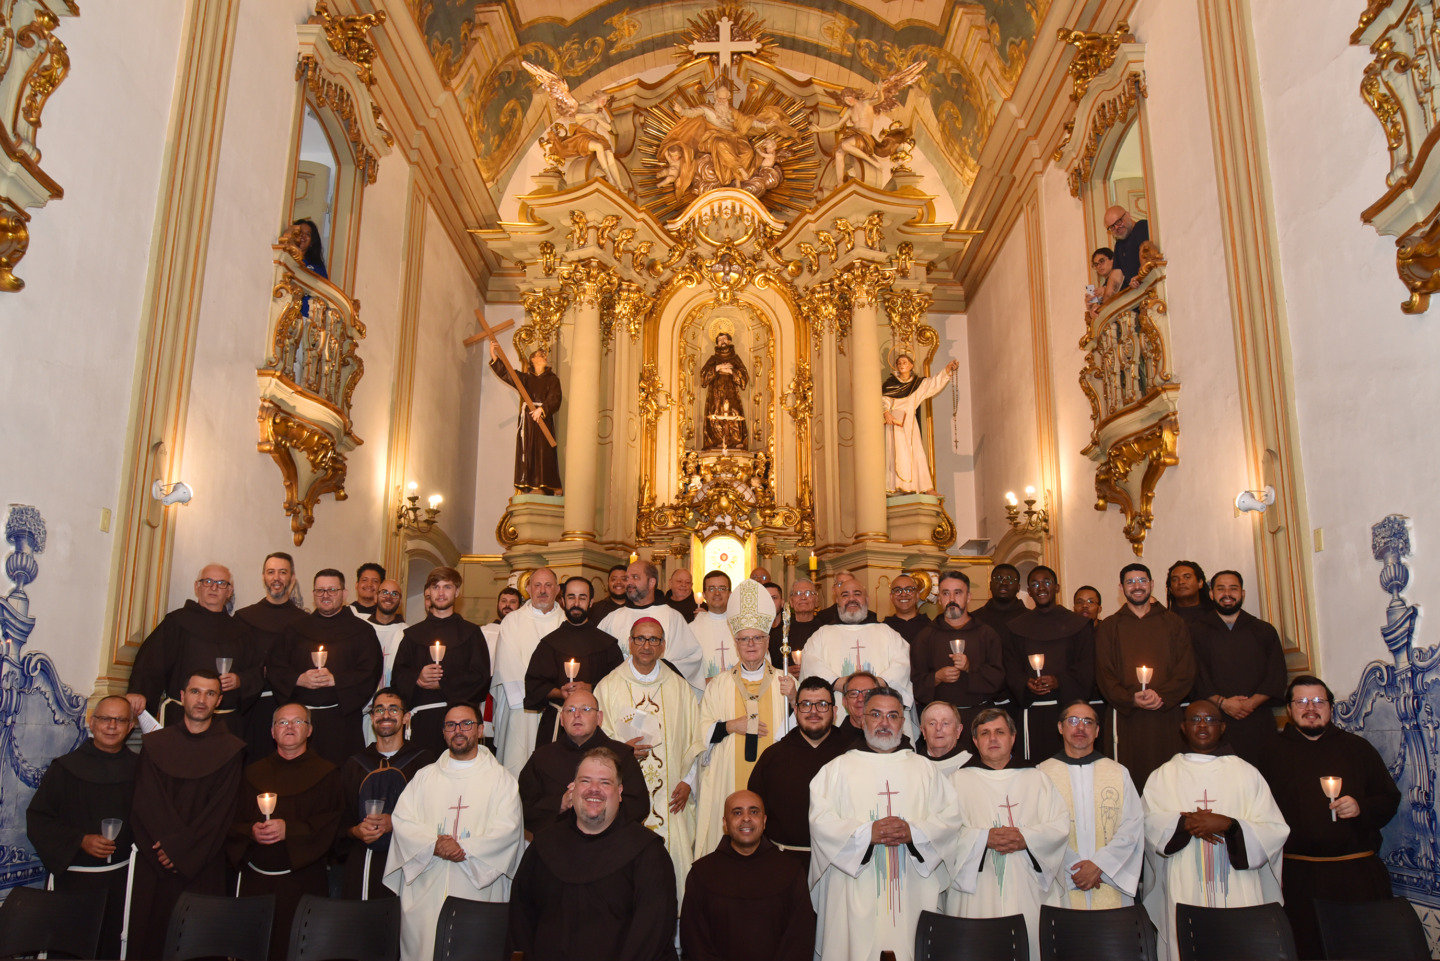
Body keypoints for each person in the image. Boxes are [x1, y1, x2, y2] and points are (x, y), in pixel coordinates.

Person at [809, 687, 961, 961]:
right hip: (853, 890)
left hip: (913, 888)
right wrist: (868, 833)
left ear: (903, 722)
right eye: (876, 715)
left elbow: (950, 821)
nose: (884, 723)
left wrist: (913, 832)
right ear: (862, 719)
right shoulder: (835, 770)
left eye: (892, 715)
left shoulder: (926, 770)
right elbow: (821, 824)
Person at [1257, 676, 1400, 960]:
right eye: (1302, 701)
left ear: (1331, 708)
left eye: (1319, 701)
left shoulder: (1358, 749)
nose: (1311, 708)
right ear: (1289, 708)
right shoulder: (1269, 753)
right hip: (1299, 880)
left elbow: (1388, 799)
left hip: (1356, 877)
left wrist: (1361, 808)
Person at [1142, 700, 1289, 961]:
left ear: (1222, 727)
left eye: (1210, 720)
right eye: (1195, 720)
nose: (1202, 725)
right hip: (1184, 883)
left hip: (1239, 884)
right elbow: (1146, 824)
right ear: (1183, 727)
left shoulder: (1247, 774)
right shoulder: (1162, 776)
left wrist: (1230, 825)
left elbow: (1274, 829)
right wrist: (1184, 824)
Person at [507, 748, 678, 961]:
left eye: (605, 783)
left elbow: (653, 932)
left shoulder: (647, 851)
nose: (594, 790)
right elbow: (520, 920)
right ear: (572, 788)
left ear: (620, 792)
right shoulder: (543, 846)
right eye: (585, 781)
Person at [385, 703, 523, 961]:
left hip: (478, 888)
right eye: (451, 725)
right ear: (444, 733)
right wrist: (433, 845)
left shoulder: (501, 780)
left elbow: (508, 830)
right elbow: (403, 820)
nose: (458, 730)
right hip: (426, 889)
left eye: (466, 724)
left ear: (480, 729)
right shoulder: (424, 777)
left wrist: (464, 849)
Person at [127, 671, 246, 960]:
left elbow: (221, 811)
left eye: (209, 694)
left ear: (218, 700)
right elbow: (145, 800)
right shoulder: (155, 743)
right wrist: (170, 847)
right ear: (181, 697)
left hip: (203, 865)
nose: (201, 699)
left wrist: (179, 850)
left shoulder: (232, 749)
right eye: (195, 691)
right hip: (157, 864)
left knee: (198, 947)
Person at [947, 708, 1070, 960]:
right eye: (985, 733)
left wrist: (1026, 838)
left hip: (1028, 887)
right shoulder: (957, 781)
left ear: (1013, 737)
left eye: (1000, 732)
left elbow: (1059, 827)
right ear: (975, 741)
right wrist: (983, 839)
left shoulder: (1037, 779)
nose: (992, 739)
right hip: (977, 890)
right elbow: (944, 833)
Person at [228, 703, 344, 960]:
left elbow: (332, 824)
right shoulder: (252, 773)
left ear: (309, 730)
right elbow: (232, 822)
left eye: (297, 722)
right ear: (271, 731)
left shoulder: (327, 773)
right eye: (282, 722)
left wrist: (289, 830)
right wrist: (252, 831)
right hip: (256, 883)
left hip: (303, 883)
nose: (289, 727)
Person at [26, 695, 138, 959]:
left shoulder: (141, 768)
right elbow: (39, 819)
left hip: (122, 881)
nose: (112, 726)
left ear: (130, 726)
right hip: (75, 882)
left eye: (120, 720)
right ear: (91, 722)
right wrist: (80, 840)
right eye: (105, 719)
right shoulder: (65, 768)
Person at [595, 616, 700, 894]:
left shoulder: (679, 688)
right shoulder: (608, 686)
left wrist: (689, 782)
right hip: (626, 795)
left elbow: (695, 739)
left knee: (674, 873)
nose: (646, 645)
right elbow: (597, 741)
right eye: (640, 638)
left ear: (663, 646)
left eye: (654, 639)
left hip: (671, 798)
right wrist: (622, 751)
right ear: (629, 642)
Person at [692, 579, 796, 858]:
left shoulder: (784, 684)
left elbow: (800, 737)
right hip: (728, 776)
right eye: (744, 639)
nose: (751, 644)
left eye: (758, 638)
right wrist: (729, 726)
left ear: (767, 640)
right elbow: (700, 732)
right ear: (735, 642)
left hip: (773, 780)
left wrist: (795, 700)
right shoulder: (720, 684)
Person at [680, 790, 815, 961]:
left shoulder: (791, 871)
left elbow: (800, 939)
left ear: (764, 821)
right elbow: (694, 941)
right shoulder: (701, 873)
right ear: (725, 824)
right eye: (737, 812)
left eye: (754, 811)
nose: (746, 818)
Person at [1094, 563, 1195, 789]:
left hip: (1166, 715)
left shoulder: (1174, 623)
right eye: (1130, 582)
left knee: (1169, 783)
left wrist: (1162, 696)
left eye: (1141, 580)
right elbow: (1104, 673)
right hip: (1126, 717)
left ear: (1152, 584)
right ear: (1121, 588)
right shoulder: (1110, 626)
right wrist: (1131, 698)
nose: (1136, 586)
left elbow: (1185, 669)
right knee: (1129, 784)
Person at [126, 563, 258, 736]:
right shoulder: (177, 622)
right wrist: (139, 692)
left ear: (229, 591)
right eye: (207, 581)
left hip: (225, 724)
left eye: (221, 583)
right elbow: (151, 662)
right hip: (180, 718)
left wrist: (240, 680)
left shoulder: (242, 631)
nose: (213, 587)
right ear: (197, 587)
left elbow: (256, 672)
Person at [268, 569, 383, 767]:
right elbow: (274, 667)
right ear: (313, 594)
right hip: (300, 722)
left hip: (341, 722)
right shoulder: (294, 629)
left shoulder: (361, 631)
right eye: (320, 590)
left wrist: (336, 680)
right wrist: (298, 679)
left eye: (332, 590)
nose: (325, 595)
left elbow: (370, 672)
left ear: (345, 594)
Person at [1036, 701, 1143, 909]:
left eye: (1088, 722)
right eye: (1073, 721)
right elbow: (1040, 831)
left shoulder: (1118, 772)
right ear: (1060, 727)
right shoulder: (1042, 773)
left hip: (1108, 881)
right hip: (1062, 885)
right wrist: (1074, 870)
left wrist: (1100, 865)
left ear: (1097, 731)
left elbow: (1133, 826)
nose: (1080, 727)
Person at [338, 689, 434, 899]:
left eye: (393, 709)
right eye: (379, 710)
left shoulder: (424, 763)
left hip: (409, 861)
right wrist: (356, 830)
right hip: (362, 861)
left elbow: (433, 815)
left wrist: (396, 823)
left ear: (406, 717)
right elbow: (340, 819)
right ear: (372, 718)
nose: (386, 715)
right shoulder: (354, 764)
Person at [746, 676, 850, 867]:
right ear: (796, 710)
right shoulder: (773, 756)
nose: (813, 711)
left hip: (842, 862)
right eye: (806, 705)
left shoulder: (852, 753)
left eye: (822, 705)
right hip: (785, 863)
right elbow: (755, 809)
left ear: (834, 712)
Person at [518, 690, 648, 837]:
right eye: (570, 710)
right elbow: (523, 808)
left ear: (599, 718)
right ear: (562, 719)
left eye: (585, 709)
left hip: (609, 846)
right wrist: (560, 803)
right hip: (557, 846)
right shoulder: (542, 757)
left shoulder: (622, 755)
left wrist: (598, 812)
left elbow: (639, 806)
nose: (577, 715)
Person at [1189, 570, 1286, 763]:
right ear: (1211, 594)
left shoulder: (1264, 630)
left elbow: (1276, 674)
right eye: (1220, 589)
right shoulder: (1195, 631)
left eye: (1233, 589)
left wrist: (1251, 703)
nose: (1227, 594)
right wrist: (1223, 703)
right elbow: (1194, 673)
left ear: (1242, 593)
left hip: (1257, 719)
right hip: (1214, 719)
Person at [390, 567, 490, 755]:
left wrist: (443, 683)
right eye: (436, 587)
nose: (441, 593)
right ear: (428, 592)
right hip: (423, 722)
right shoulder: (412, 635)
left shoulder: (472, 634)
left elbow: (481, 678)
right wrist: (417, 679)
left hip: (460, 726)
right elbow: (397, 678)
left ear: (457, 592)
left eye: (447, 587)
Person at [1003, 566, 1094, 761]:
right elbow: (1011, 667)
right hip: (1032, 713)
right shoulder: (1016, 627)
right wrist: (1025, 683)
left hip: (1067, 711)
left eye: (1046, 582)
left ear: (1057, 587)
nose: (1041, 588)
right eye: (1034, 584)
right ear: (1029, 591)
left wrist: (1059, 681)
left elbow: (1086, 667)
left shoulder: (1077, 624)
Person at [524, 576, 624, 748]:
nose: (576, 602)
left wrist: (591, 688)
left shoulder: (608, 644)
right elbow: (533, 686)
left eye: (582, 597)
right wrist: (558, 692)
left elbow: (620, 687)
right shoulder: (549, 644)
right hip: (557, 726)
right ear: (562, 601)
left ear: (591, 602)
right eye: (571, 597)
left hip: (599, 728)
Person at [235, 552, 310, 757]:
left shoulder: (305, 622)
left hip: (291, 710)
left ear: (292, 579)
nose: (276, 578)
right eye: (271, 572)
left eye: (282, 572)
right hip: (252, 708)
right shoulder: (244, 618)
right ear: (263, 577)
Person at [799, 579, 913, 713]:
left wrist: (877, 684)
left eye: (857, 594)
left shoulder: (887, 632)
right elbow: (810, 662)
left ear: (867, 599)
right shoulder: (822, 634)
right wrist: (837, 682)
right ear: (837, 601)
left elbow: (901, 664)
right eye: (845, 595)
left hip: (881, 710)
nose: (851, 599)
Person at [910, 571, 1005, 730]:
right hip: (940, 722)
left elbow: (998, 679)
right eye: (946, 593)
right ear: (939, 598)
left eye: (958, 593)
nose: (951, 599)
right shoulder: (925, 636)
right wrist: (937, 677)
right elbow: (915, 683)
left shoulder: (986, 634)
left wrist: (970, 668)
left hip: (979, 717)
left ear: (968, 597)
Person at [492, 568, 564, 776]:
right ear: (529, 589)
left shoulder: (566, 622)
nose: (542, 590)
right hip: (521, 710)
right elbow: (508, 666)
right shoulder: (512, 621)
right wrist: (537, 695)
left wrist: (553, 695)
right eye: (538, 585)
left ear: (557, 590)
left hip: (557, 708)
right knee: (518, 766)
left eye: (548, 585)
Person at [598, 560, 704, 692]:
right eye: (627, 578)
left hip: (661, 691)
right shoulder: (612, 618)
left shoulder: (672, 617)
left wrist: (656, 669)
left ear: (652, 582)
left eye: (635, 577)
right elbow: (598, 657)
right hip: (621, 691)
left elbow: (691, 656)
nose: (629, 582)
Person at [489, 339, 563, 493]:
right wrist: (494, 355)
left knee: (544, 451)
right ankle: (530, 485)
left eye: (544, 356)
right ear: (533, 360)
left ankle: (545, 485)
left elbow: (555, 398)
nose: (544, 357)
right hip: (529, 420)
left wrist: (542, 409)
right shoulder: (526, 378)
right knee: (529, 450)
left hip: (543, 419)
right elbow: (508, 373)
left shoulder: (552, 379)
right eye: (540, 355)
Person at [882, 355, 959, 494]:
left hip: (910, 423)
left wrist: (947, 370)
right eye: (899, 363)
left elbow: (934, 383)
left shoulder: (917, 384)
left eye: (905, 362)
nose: (901, 365)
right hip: (894, 422)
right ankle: (896, 487)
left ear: (911, 365)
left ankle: (925, 487)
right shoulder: (890, 383)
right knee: (895, 453)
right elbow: (884, 399)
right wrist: (886, 412)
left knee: (916, 453)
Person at [700, 331, 749, 450]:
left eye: (725, 339)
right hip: (715, 397)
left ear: (729, 341)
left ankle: (735, 443)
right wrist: (718, 368)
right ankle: (717, 442)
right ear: (717, 343)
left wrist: (731, 372)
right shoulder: (713, 359)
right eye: (720, 340)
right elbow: (703, 378)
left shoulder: (735, 359)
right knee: (716, 418)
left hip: (732, 395)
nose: (722, 342)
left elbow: (744, 379)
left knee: (734, 418)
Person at [770, 578, 823, 670]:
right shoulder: (779, 634)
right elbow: (770, 668)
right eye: (798, 593)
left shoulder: (825, 630)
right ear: (791, 601)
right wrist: (786, 672)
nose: (803, 597)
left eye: (808, 593)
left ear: (816, 600)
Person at [692, 569, 736, 681]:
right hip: (705, 694)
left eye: (722, 588)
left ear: (730, 594)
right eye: (711, 589)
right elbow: (686, 668)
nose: (717, 593)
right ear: (704, 595)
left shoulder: (741, 626)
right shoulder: (691, 629)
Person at [365, 578, 407, 689]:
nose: (389, 597)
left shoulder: (407, 633)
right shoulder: (361, 629)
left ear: (400, 601)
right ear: (375, 597)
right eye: (384, 592)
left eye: (394, 594)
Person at [917, 700, 971, 774]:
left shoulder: (971, 766)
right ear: (923, 732)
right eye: (932, 723)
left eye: (945, 723)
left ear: (958, 730)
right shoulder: (913, 766)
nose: (938, 728)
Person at [970, 564, 1027, 634]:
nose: (1004, 583)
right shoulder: (975, 619)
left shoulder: (1029, 618)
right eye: (998, 579)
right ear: (990, 585)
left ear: (1018, 587)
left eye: (1010, 580)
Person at [1103, 205, 1151, 288]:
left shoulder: (1141, 227)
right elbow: (1115, 279)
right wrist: (1102, 296)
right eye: (1112, 227)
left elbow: (1146, 253)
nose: (1117, 227)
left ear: (1128, 215)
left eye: (1119, 221)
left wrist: (1140, 277)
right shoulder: (1118, 245)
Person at [813, 571, 878, 626]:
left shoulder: (871, 617)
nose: (846, 586)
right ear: (833, 589)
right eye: (841, 583)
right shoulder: (823, 617)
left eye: (849, 582)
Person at [883, 574, 928, 643]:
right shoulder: (884, 629)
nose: (903, 594)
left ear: (917, 595)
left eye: (909, 590)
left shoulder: (931, 627)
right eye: (897, 590)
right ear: (891, 597)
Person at [1165, 559, 1212, 625]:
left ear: (1200, 583)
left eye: (1187, 577)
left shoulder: (1214, 617)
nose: (1181, 582)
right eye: (1175, 579)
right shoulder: (1163, 619)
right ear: (1170, 589)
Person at [1086, 247, 1124, 316]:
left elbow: (1112, 296)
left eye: (1102, 261)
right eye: (1096, 264)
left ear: (1112, 260)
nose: (1099, 266)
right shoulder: (1102, 286)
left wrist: (1105, 291)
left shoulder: (1119, 272)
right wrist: (1091, 307)